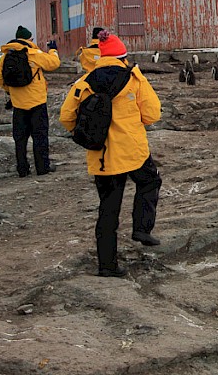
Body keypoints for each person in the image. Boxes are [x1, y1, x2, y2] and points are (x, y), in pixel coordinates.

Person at [59, 30, 163, 278]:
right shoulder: (134, 79)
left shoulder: (84, 82)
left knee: (108, 210)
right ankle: (142, 228)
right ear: (123, 57)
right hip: (133, 151)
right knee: (150, 182)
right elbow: (152, 114)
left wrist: (87, 133)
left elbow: (66, 117)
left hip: (102, 157)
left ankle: (107, 265)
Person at [0, 25, 61, 177]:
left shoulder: (6, 56)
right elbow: (53, 64)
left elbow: (0, 78)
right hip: (37, 102)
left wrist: (11, 91)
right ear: (29, 39)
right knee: (40, 136)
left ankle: (22, 169)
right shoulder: (33, 53)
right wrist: (53, 50)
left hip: (18, 104)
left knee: (20, 138)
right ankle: (42, 167)